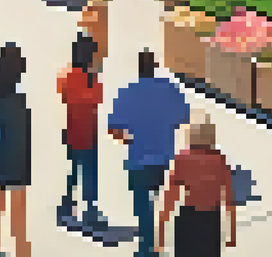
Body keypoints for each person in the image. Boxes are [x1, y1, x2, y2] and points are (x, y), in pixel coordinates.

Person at [108, 49, 192, 257]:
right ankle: (156, 244)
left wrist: (128, 140)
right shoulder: (170, 90)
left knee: (142, 206)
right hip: (163, 156)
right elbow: (184, 119)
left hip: (138, 158)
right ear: (154, 67)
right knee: (159, 202)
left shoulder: (127, 92)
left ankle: (147, 249)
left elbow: (113, 129)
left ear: (139, 69)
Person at [157, 111, 236, 257]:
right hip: (212, 219)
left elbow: (170, 198)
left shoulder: (182, 159)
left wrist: (161, 233)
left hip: (188, 218)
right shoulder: (219, 160)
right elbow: (229, 198)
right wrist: (232, 232)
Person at [0, 43, 32, 257]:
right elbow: (25, 136)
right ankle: (22, 252)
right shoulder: (20, 102)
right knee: (19, 218)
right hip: (19, 161)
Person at [57, 33, 105, 228]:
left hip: (70, 128)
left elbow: (63, 95)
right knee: (90, 173)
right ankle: (90, 211)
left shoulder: (66, 74)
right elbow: (97, 98)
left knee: (72, 172)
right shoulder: (91, 78)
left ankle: (66, 208)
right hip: (88, 131)